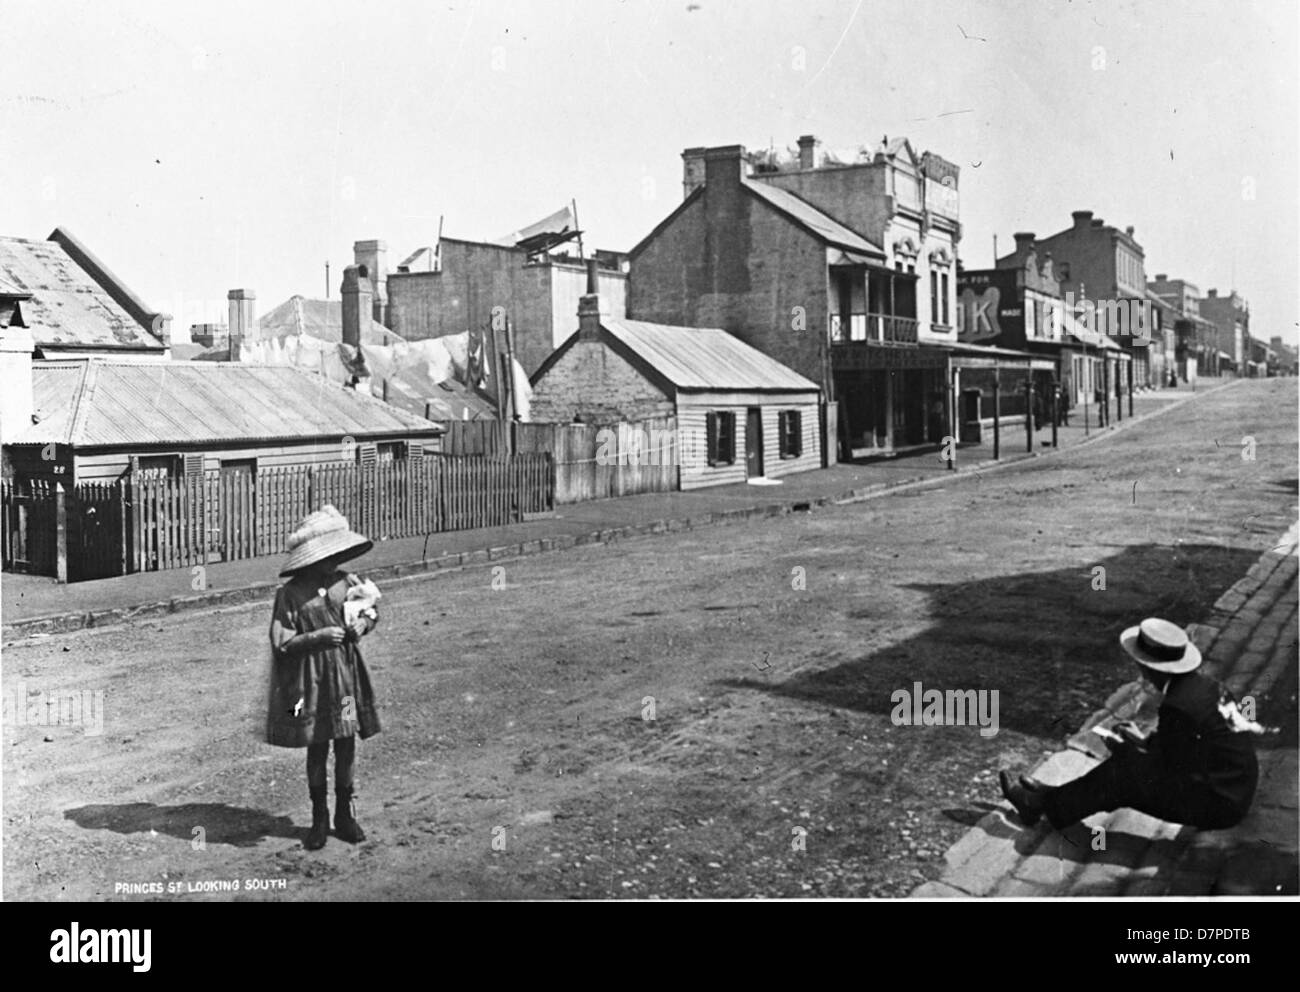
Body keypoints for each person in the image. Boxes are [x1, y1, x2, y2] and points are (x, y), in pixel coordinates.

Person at [1000, 617, 1259, 832]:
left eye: (1140, 665)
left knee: (1122, 775)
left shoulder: (1178, 706)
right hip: (1233, 789)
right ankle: (1050, 798)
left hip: (1219, 806)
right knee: (1124, 770)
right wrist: (1145, 741)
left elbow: (1167, 769)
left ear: (1151, 669)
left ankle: (1039, 805)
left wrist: (1124, 751)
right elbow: (1188, 748)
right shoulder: (1206, 687)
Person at [268, 505, 382, 850]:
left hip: (345, 678)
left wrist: (363, 623)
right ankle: (319, 817)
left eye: (338, 554)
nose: (334, 561)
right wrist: (316, 638)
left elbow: (370, 611)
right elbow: (281, 642)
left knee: (345, 742)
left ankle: (344, 815)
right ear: (310, 558)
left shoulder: (347, 583)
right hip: (312, 684)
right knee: (317, 746)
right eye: (328, 555)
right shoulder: (290, 595)